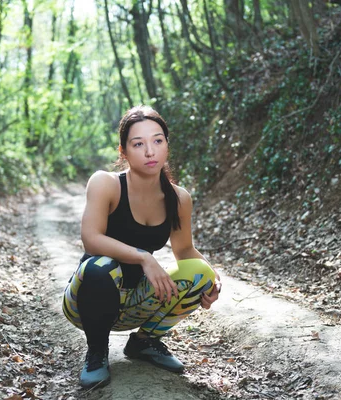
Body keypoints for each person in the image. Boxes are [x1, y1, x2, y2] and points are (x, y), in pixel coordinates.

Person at [62, 105, 222, 389]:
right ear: (123, 151)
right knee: (100, 265)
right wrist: (144, 258)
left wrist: (213, 279)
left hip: (137, 302)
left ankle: (144, 342)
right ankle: (96, 352)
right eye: (139, 144)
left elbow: (185, 250)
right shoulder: (106, 184)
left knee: (201, 271)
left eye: (157, 141)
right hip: (87, 300)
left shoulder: (179, 198)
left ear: (166, 145)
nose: (150, 151)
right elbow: (91, 238)